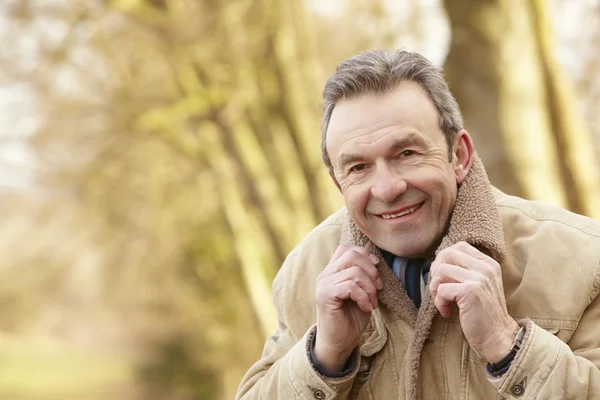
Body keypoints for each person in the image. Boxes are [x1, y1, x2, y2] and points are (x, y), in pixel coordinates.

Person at [235, 49, 600, 399]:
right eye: (359, 167)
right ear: (338, 183)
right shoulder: (305, 272)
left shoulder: (582, 260)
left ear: (458, 155)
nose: (388, 188)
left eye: (406, 154)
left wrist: (507, 345)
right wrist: (324, 357)